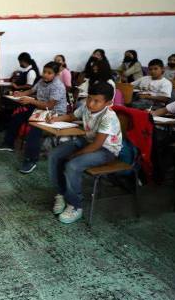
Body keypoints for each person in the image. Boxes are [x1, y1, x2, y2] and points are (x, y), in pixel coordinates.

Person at [46, 82, 122, 224]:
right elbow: (71, 116)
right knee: (54, 155)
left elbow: (97, 145)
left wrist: (75, 155)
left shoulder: (108, 117)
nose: (91, 104)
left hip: (106, 150)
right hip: (88, 142)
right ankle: (62, 193)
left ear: (109, 103)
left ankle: (75, 205)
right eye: (89, 98)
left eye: (96, 101)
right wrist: (56, 119)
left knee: (72, 165)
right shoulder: (86, 108)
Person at [11, 62, 68, 173]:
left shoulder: (58, 86)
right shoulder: (42, 81)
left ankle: (31, 160)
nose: (45, 75)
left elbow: (50, 105)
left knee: (35, 130)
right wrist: (21, 94)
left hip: (55, 114)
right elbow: (32, 90)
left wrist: (31, 100)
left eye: (49, 73)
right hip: (40, 110)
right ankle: (8, 143)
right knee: (17, 115)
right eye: (44, 72)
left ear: (56, 75)